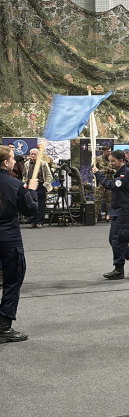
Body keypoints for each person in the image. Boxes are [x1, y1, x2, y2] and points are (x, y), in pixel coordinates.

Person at [0, 145, 38, 342]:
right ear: (6, 163)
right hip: (8, 239)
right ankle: (4, 325)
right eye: (13, 158)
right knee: (13, 279)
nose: (15, 161)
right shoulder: (15, 185)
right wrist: (31, 191)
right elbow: (31, 211)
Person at [92, 149, 129, 279]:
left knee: (117, 240)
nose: (111, 163)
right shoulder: (121, 172)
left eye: (113, 161)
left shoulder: (125, 174)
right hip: (119, 211)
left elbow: (112, 186)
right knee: (114, 239)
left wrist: (99, 174)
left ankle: (119, 269)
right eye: (110, 161)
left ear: (121, 161)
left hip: (125, 212)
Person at [23, 148, 53, 227]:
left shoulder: (43, 163)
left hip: (40, 185)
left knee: (41, 204)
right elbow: (24, 176)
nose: (33, 156)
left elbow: (49, 175)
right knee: (31, 204)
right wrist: (25, 185)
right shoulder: (26, 164)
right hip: (30, 185)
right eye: (31, 154)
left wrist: (45, 185)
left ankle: (40, 222)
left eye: (34, 154)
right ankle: (33, 221)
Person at [95, 144, 114, 221]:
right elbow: (94, 170)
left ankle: (108, 215)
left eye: (110, 151)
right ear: (103, 151)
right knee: (97, 199)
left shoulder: (112, 159)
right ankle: (96, 216)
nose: (109, 153)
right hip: (101, 182)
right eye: (107, 152)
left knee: (109, 199)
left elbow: (116, 170)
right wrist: (101, 172)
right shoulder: (97, 159)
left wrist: (111, 171)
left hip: (110, 181)